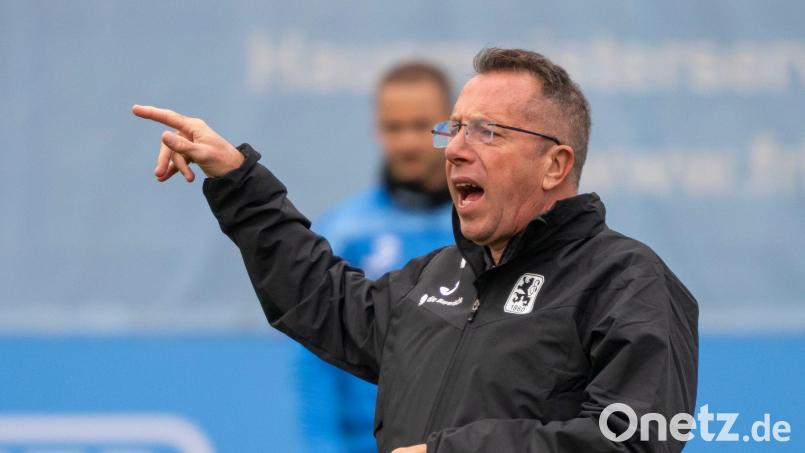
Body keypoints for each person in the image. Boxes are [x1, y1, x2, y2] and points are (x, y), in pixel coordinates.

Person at [133, 47, 699, 453]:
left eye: (487, 131)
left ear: (556, 163)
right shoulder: (437, 277)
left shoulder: (627, 280)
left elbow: (636, 438)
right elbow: (321, 299)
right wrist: (236, 178)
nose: (453, 150)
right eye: (452, 130)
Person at [298, 62, 454, 453]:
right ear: (376, 128)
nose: (407, 143)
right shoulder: (343, 232)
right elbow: (315, 360)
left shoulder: (485, 226)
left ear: (451, 126)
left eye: (421, 125)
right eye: (393, 127)